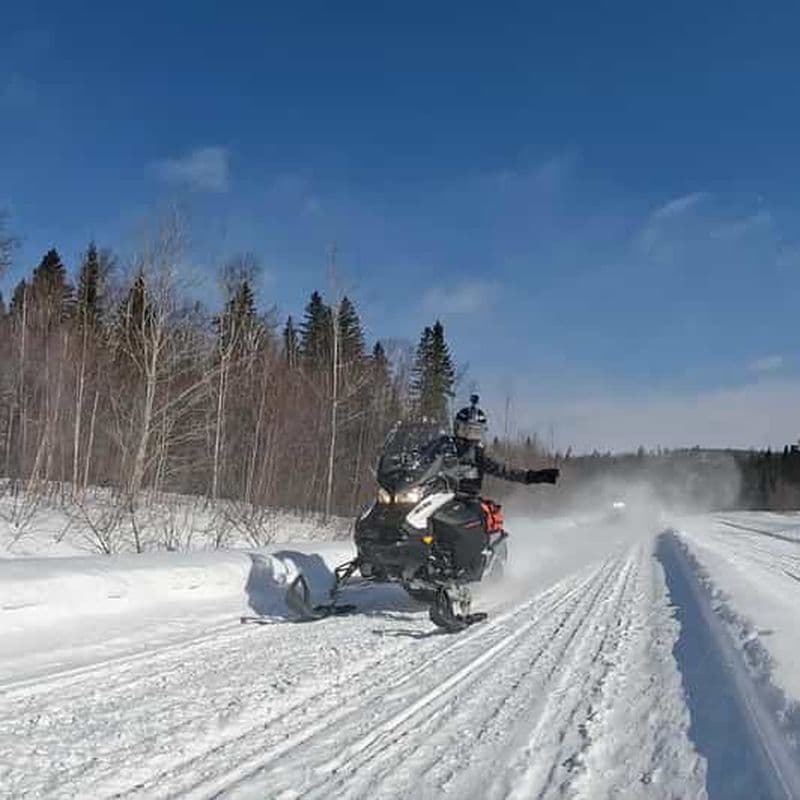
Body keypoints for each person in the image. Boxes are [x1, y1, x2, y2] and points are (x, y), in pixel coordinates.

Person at [434, 395, 559, 579]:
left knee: (475, 522)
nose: (470, 436)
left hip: (467, 499)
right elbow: (423, 460)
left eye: (475, 432)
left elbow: (504, 470)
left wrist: (533, 476)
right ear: (457, 428)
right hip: (439, 495)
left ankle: (470, 567)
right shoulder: (444, 448)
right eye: (466, 430)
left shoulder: (478, 455)